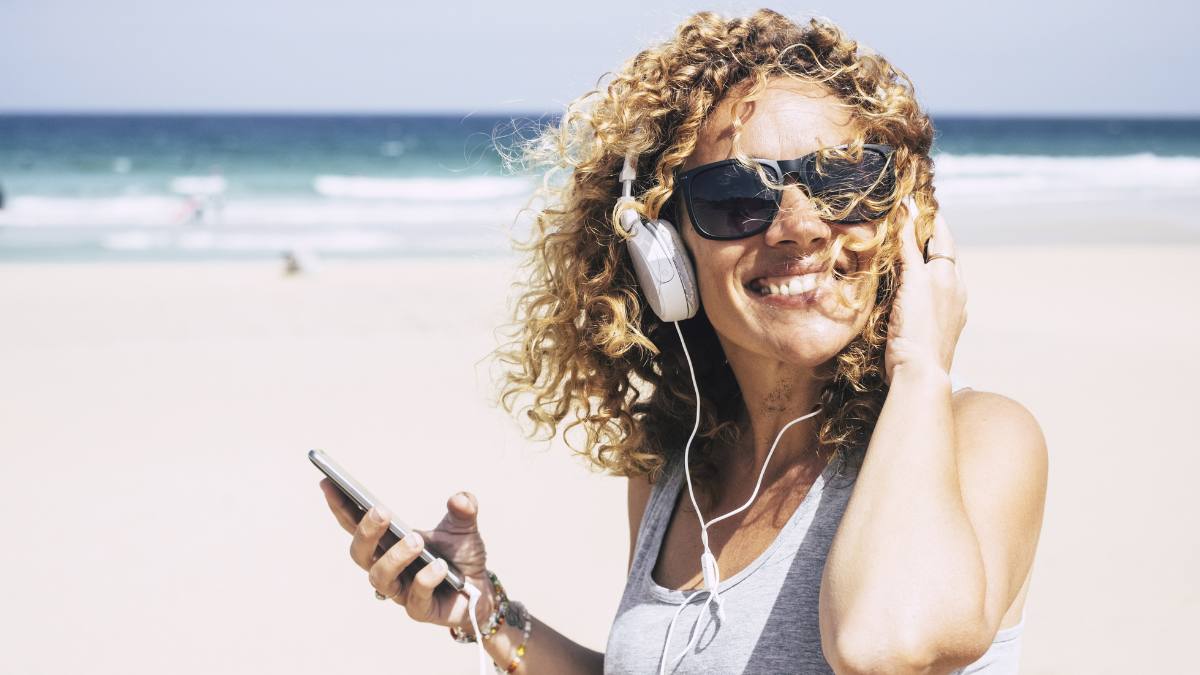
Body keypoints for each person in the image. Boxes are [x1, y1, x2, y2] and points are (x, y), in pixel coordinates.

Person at [317, 9, 1047, 674]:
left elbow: (883, 642)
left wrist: (919, 364)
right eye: (738, 196)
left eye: (845, 181)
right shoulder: (678, 469)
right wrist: (485, 610)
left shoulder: (979, 438)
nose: (800, 225)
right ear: (663, 252)